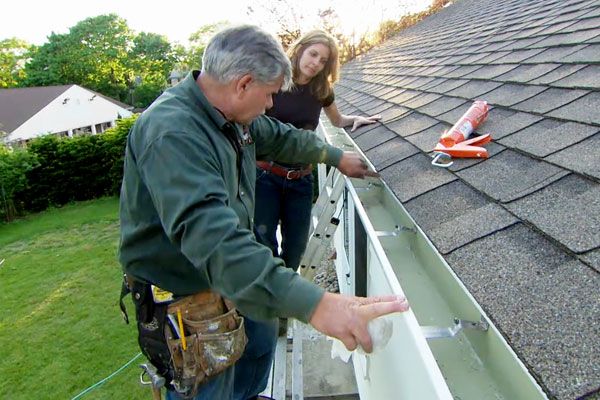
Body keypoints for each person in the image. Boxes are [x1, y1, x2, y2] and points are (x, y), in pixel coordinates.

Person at [118, 25, 408, 400]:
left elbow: (282, 137)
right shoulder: (173, 133)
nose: (272, 104)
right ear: (243, 84)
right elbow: (213, 240)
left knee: (260, 334)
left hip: (230, 269)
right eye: (270, 94)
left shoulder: (231, 115)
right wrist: (317, 305)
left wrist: (335, 156)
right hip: (185, 291)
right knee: (212, 377)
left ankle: (248, 394)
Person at [254, 30, 381, 273]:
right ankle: (266, 301)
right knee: (264, 245)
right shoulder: (275, 81)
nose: (316, 63)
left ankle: (284, 300)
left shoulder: (321, 89)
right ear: (300, 49)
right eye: (313, 54)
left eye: (323, 60)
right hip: (265, 177)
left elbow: (338, 120)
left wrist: (358, 119)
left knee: (295, 248)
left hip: (300, 180)